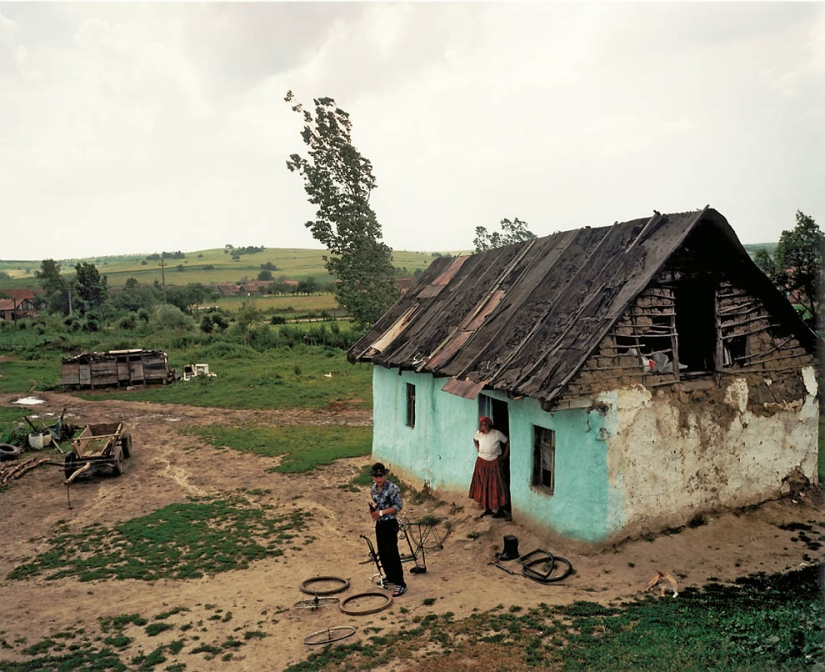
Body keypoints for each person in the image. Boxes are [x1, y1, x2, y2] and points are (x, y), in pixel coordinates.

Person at [369, 462, 407, 597]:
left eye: (381, 476)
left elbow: (397, 506)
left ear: (385, 475)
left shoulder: (392, 488)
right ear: (373, 477)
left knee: (392, 553)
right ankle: (390, 576)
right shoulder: (373, 489)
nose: (379, 479)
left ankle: (400, 583)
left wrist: (381, 513)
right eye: (376, 476)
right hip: (380, 524)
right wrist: (373, 511)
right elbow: (376, 503)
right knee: (383, 552)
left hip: (390, 523)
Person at [469, 416, 509, 518]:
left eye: (486, 424)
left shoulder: (497, 434)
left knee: (496, 485)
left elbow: (507, 443)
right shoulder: (479, 434)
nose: (484, 426)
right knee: (483, 484)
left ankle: (499, 509)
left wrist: (504, 456)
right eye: (482, 424)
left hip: (494, 462)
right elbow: (474, 440)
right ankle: (487, 508)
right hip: (481, 462)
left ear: (490, 424)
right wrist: (478, 449)